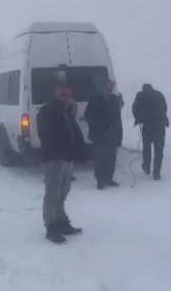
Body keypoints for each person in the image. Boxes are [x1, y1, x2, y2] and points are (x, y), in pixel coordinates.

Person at [37, 83, 86, 244]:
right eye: (63, 95)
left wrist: (76, 152)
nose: (66, 98)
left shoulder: (66, 111)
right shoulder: (48, 111)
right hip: (54, 159)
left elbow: (73, 133)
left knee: (62, 193)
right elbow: (46, 137)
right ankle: (50, 226)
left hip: (66, 158)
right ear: (56, 94)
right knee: (52, 194)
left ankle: (61, 221)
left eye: (69, 95)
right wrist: (56, 154)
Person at [84, 80, 123, 190]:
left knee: (111, 158)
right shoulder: (95, 99)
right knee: (99, 158)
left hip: (113, 134)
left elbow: (118, 119)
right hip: (99, 134)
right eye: (107, 87)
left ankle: (108, 179)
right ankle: (100, 180)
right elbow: (87, 114)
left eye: (111, 87)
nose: (109, 89)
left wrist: (119, 134)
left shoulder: (115, 100)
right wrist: (94, 126)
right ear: (103, 87)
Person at [132, 83, 169, 180]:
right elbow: (165, 107)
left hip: (147, 126)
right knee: (159, 150)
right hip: (159, 126)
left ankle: (146, 166)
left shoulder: (140, 95)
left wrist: (139, 118)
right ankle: (156, 173)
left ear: (143, 88)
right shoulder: (159, 94)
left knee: (147, 147)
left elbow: (134, 109)